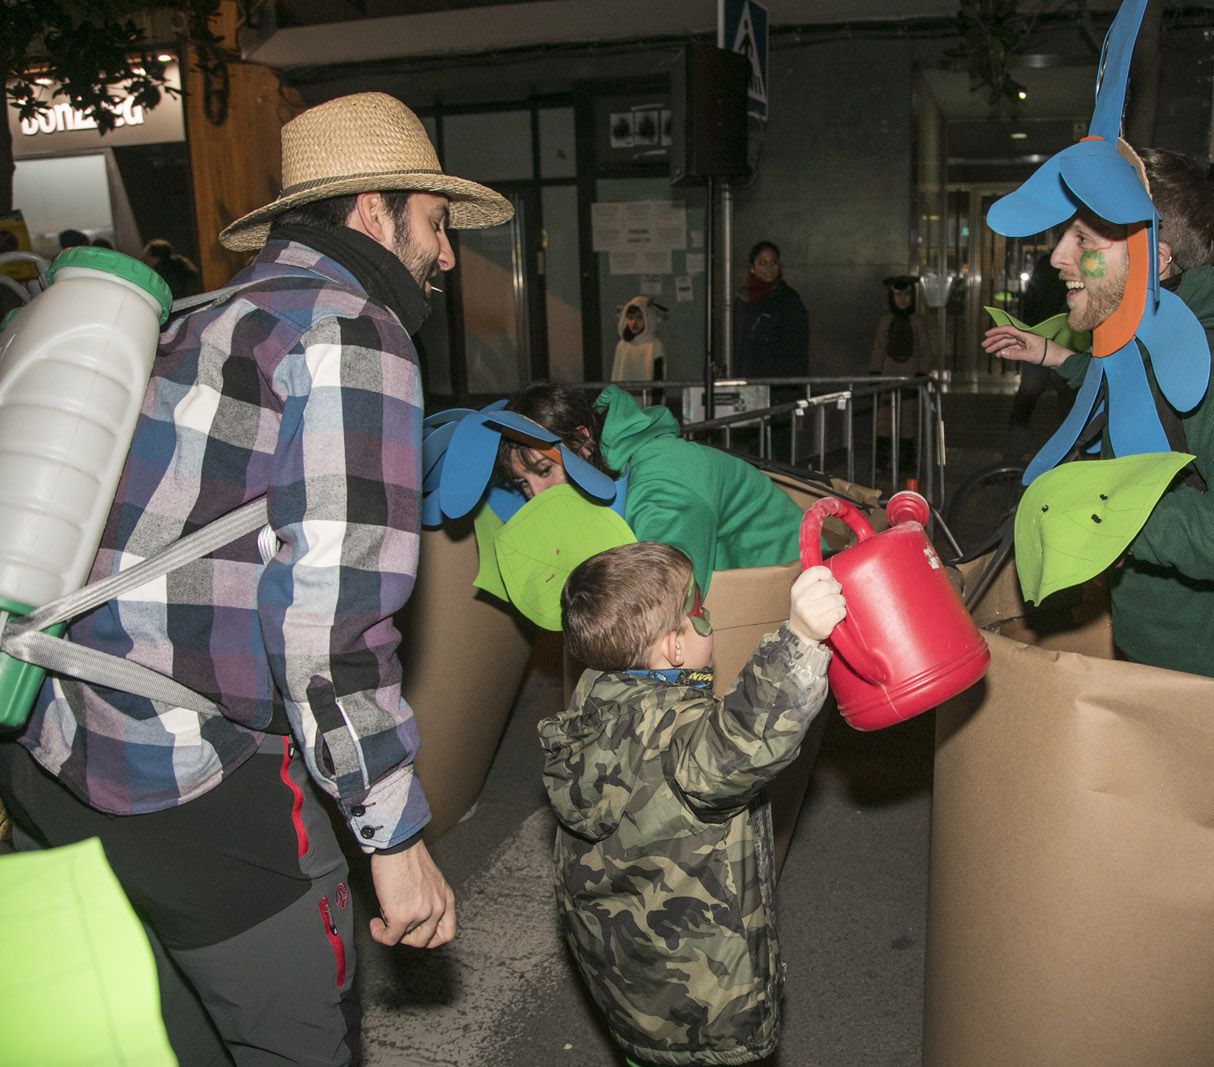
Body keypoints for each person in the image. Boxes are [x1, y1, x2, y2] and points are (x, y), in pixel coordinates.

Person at [0, 91, 512, 1064]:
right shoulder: (353, 335)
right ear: (373, 208)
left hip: (51, 754)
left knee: (153, 1040)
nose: (447, 256)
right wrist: (394, 842)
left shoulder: (199, 315)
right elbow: (330, 626)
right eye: (437, 224)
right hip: (192, 789)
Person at [981, 146, 1214, 682]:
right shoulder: (1147, 345)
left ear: (1156, 259)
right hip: (1169, 663)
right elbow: (1136, 396)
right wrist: (1059, 358)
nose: (1056, 258)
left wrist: (1113, 519)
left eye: (1084, 241)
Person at [540, 542, 845, 1066]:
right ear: (674, 648)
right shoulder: (680, 740)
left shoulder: (596, 696)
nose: (709, 619)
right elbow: (745, 740)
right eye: (698, 611)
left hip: (629, 979)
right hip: (703, 1000)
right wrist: (799, 639)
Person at [498, 382, 805, 595]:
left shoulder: (662, 471)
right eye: (524, 482)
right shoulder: (612, 468)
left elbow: (665, 594)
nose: (537, 496)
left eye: (545, 470)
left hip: (797, 589)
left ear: (582, 442)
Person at [1004, 249, 1084, 461]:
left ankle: (1013, 456)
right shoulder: (1072, 263)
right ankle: (1067, 457)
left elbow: (1031, 301)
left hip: (1043, 339)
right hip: (1058, 341)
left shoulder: (1047, 263)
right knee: (1066, 403)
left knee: (1027, 401)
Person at [731, 240, 809, 379]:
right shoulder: (743, 299)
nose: (769, 268)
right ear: (752, 267)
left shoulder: (788, 300)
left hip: (778, 384)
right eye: (763, 263)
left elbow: (796, 349)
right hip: (746, 380)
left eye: (774, 262)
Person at [869, 275, 934, 376]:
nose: (903, 299)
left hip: (912, 378)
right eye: (898, 295)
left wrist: (921, 374)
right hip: (888, 378)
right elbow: (878, 351)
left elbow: (926, 352)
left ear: (912, 296)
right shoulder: (885, 321)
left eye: (907, 294)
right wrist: (874, 374)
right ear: (892, 297)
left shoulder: (917, 321)